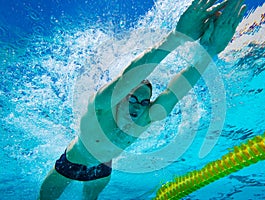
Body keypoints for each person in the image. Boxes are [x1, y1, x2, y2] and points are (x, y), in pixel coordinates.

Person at [39, 0, 246, 199]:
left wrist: (209, 52)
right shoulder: (101, 107)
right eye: (133, 98)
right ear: (122, 97)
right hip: (71, 164)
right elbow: (128, 78)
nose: (139, 106)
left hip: (101, 171)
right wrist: (177, 37)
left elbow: (175, 93)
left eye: (145, 102)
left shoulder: (145, 117)